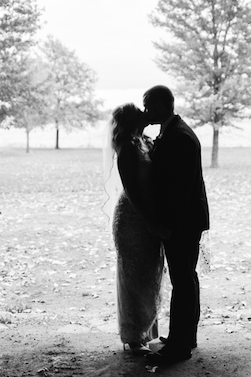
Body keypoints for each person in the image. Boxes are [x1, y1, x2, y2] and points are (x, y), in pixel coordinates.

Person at [143, 85, 210, 364]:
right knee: (186, 279)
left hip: (182, 222)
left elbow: (178, 190)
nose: (146, 111)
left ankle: (180, 347)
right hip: (187, 219)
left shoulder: (180, 136)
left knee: (183, 281)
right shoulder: (174, 131)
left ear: (161, 104)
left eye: (148, 106)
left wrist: (166, 225)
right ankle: (186, 335)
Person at [103, 103, 165, 354]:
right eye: (139, 111)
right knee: (133, 276)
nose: (145, 112)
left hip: (148, 213)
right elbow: (132, 189)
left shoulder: (145, 140)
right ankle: (132, 335)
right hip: (133, 217)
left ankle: (147, 331)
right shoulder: (127, 148)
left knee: (149, 274)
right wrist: (149, 219)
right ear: (131, 119)